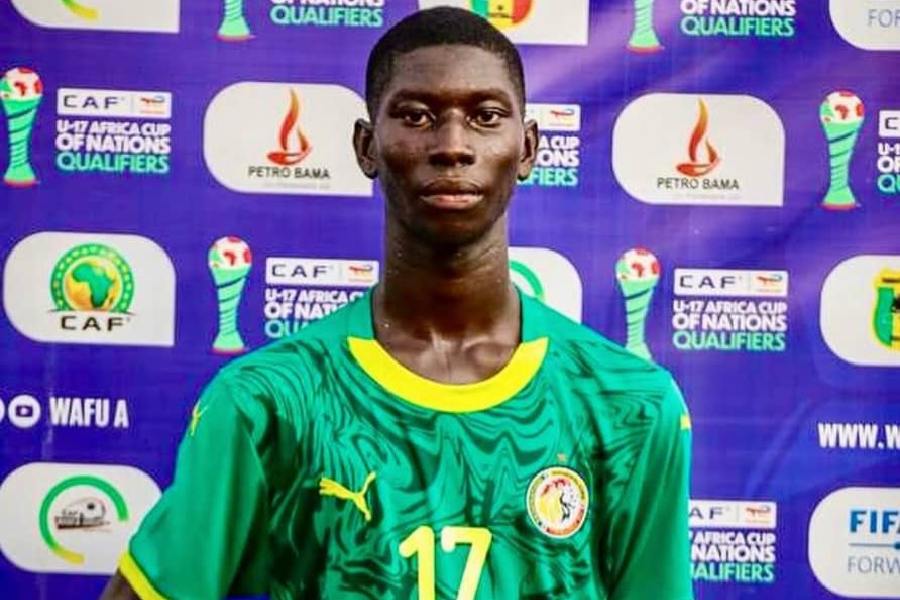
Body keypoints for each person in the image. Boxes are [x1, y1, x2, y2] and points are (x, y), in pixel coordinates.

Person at [101, 7, 693, 599]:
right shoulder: (269, 400)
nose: (453, 146)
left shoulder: (630, 405)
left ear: (528, 148)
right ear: (367, 147)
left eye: (486, 117)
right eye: (416, 116)